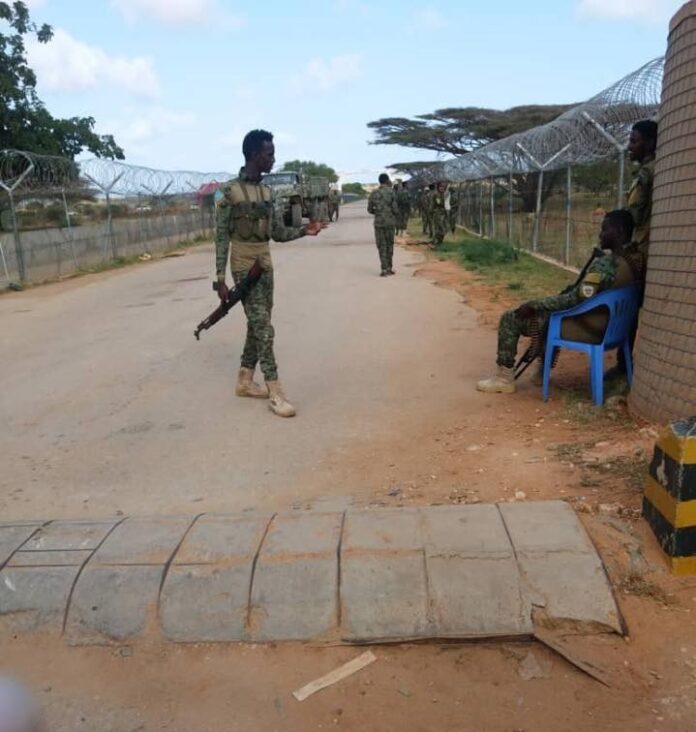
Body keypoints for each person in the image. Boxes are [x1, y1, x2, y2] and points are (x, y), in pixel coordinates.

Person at [215, 129, 321, 418]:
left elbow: (276, 233)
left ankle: (245, 380)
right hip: (242, 268)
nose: (273, 159)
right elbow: (221, 237)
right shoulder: (228, 192)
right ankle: (276, 392)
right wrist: (220, 279)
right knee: (264, 328)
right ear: (253, 155)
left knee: (258, 323)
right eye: (269, 154)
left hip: (265, 265)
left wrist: (304, 231)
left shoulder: (267, 192)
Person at [476, 210, 642, 394]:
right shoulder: (635, 260)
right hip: (613, 327)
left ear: (618, 231)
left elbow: (574, 300)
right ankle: (541, 372)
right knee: (550, 314)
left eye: (605, 229)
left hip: (590, 327)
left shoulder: (606, 265)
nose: (600, 234)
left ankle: (503, 378)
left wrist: (535, 304)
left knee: (512, 318)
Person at [626, 119, 658, 258]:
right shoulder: (652, 169)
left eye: (634, 141)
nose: (629, 147)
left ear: (650, 144)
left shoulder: (648, 172)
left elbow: (635, 216)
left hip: (643, 248)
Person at [367, 173, 398, 276]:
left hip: (379, 223)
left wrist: (378, 212)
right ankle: (389, 267)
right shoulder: (391, 192)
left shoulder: (374, 193)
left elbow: (369, 209)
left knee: (381, 246)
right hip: (389, 222)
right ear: (387, 180)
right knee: (390, 245)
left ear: (379, 181)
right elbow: (395, 209)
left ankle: (383, 269)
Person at [431, 180, 449, 247]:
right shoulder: (436, 194)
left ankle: (440, 241)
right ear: (438, 187)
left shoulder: (445, 194)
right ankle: (436, 241)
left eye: (443, 187)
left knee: (444, 228)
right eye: (441, 187)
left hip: (444, 213)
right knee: (438, 228)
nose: (442, 188)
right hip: (437, 213)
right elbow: (435, 204)